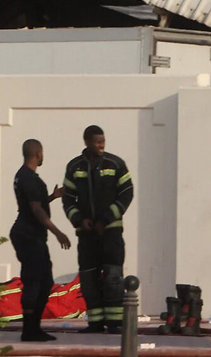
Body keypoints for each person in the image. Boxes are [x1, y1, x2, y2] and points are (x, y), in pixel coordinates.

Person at [62, 125, 134, 334]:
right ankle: (95, 322)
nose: (101, 144)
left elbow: (126, 194)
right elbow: (68, 199)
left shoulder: (116, 164)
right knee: (88, 277)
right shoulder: (74, 167)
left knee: (113, 276)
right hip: (86, 235)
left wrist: (106, 218)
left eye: (103, 140)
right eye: (97, 141)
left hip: (111, 233)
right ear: (86, 142)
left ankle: (114, 323)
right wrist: (79, 220)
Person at [10, 138, 71, 342]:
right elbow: (36, 210)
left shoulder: (24, 176)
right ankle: (29, 330)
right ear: (38, 154)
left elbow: (35, 203)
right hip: (28, 235)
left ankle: (34, 327)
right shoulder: (28, 178)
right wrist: (57, 232)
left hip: (30, 234)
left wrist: (52, 196)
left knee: (45, 281)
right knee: (34, 280)